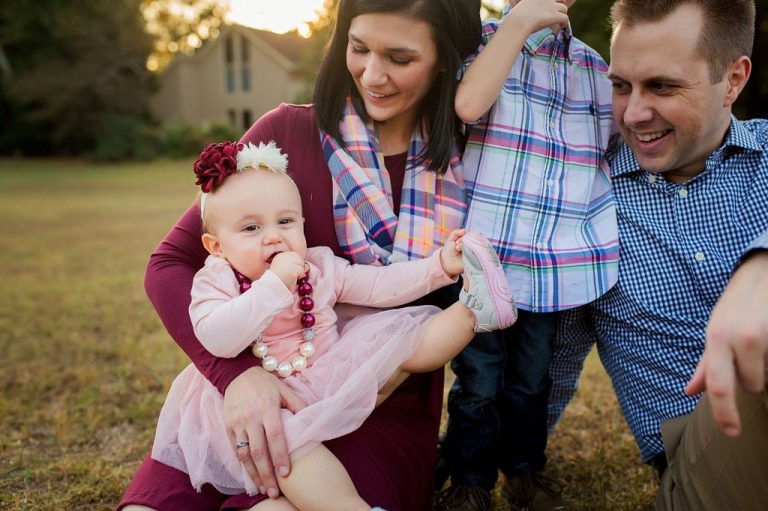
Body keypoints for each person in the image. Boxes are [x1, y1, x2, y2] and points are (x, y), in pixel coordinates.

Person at [116, 1, 483, 510]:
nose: (372, 75)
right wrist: (239, 377)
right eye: (358, 49)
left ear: (446, 57)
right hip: (240, 390)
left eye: (399, 58)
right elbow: (169, 264)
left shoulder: (474, 158)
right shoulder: (286, 132)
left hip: (378, 406)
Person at [151, 140, 516, 510]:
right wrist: (274, 285)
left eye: (285, 221)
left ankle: (475, 307)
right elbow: (216, 337)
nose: (274, 235)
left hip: (327, 371)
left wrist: (440, 265)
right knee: (289, 444)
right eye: (250, 228)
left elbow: (379, 285)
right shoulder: (217, 278)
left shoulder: (317, 265)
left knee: (407, 338)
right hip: (268, 401)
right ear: (216, 246)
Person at [548, 0, 768, 508]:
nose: (634, 112)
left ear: (733, 79)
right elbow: (547, 364)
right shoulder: (583, 199)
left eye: (662, 87)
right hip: (705, 461)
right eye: (621, 85)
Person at [435, 0, 618, 509]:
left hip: (550, 265)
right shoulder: (484, 44)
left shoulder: (594, 68)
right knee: (478, 383)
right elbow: (468, 106)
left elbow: (615, 143)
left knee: (532, 381)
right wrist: (516, 26)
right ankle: (470, 479)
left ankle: (525, 472)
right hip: (483, 264)